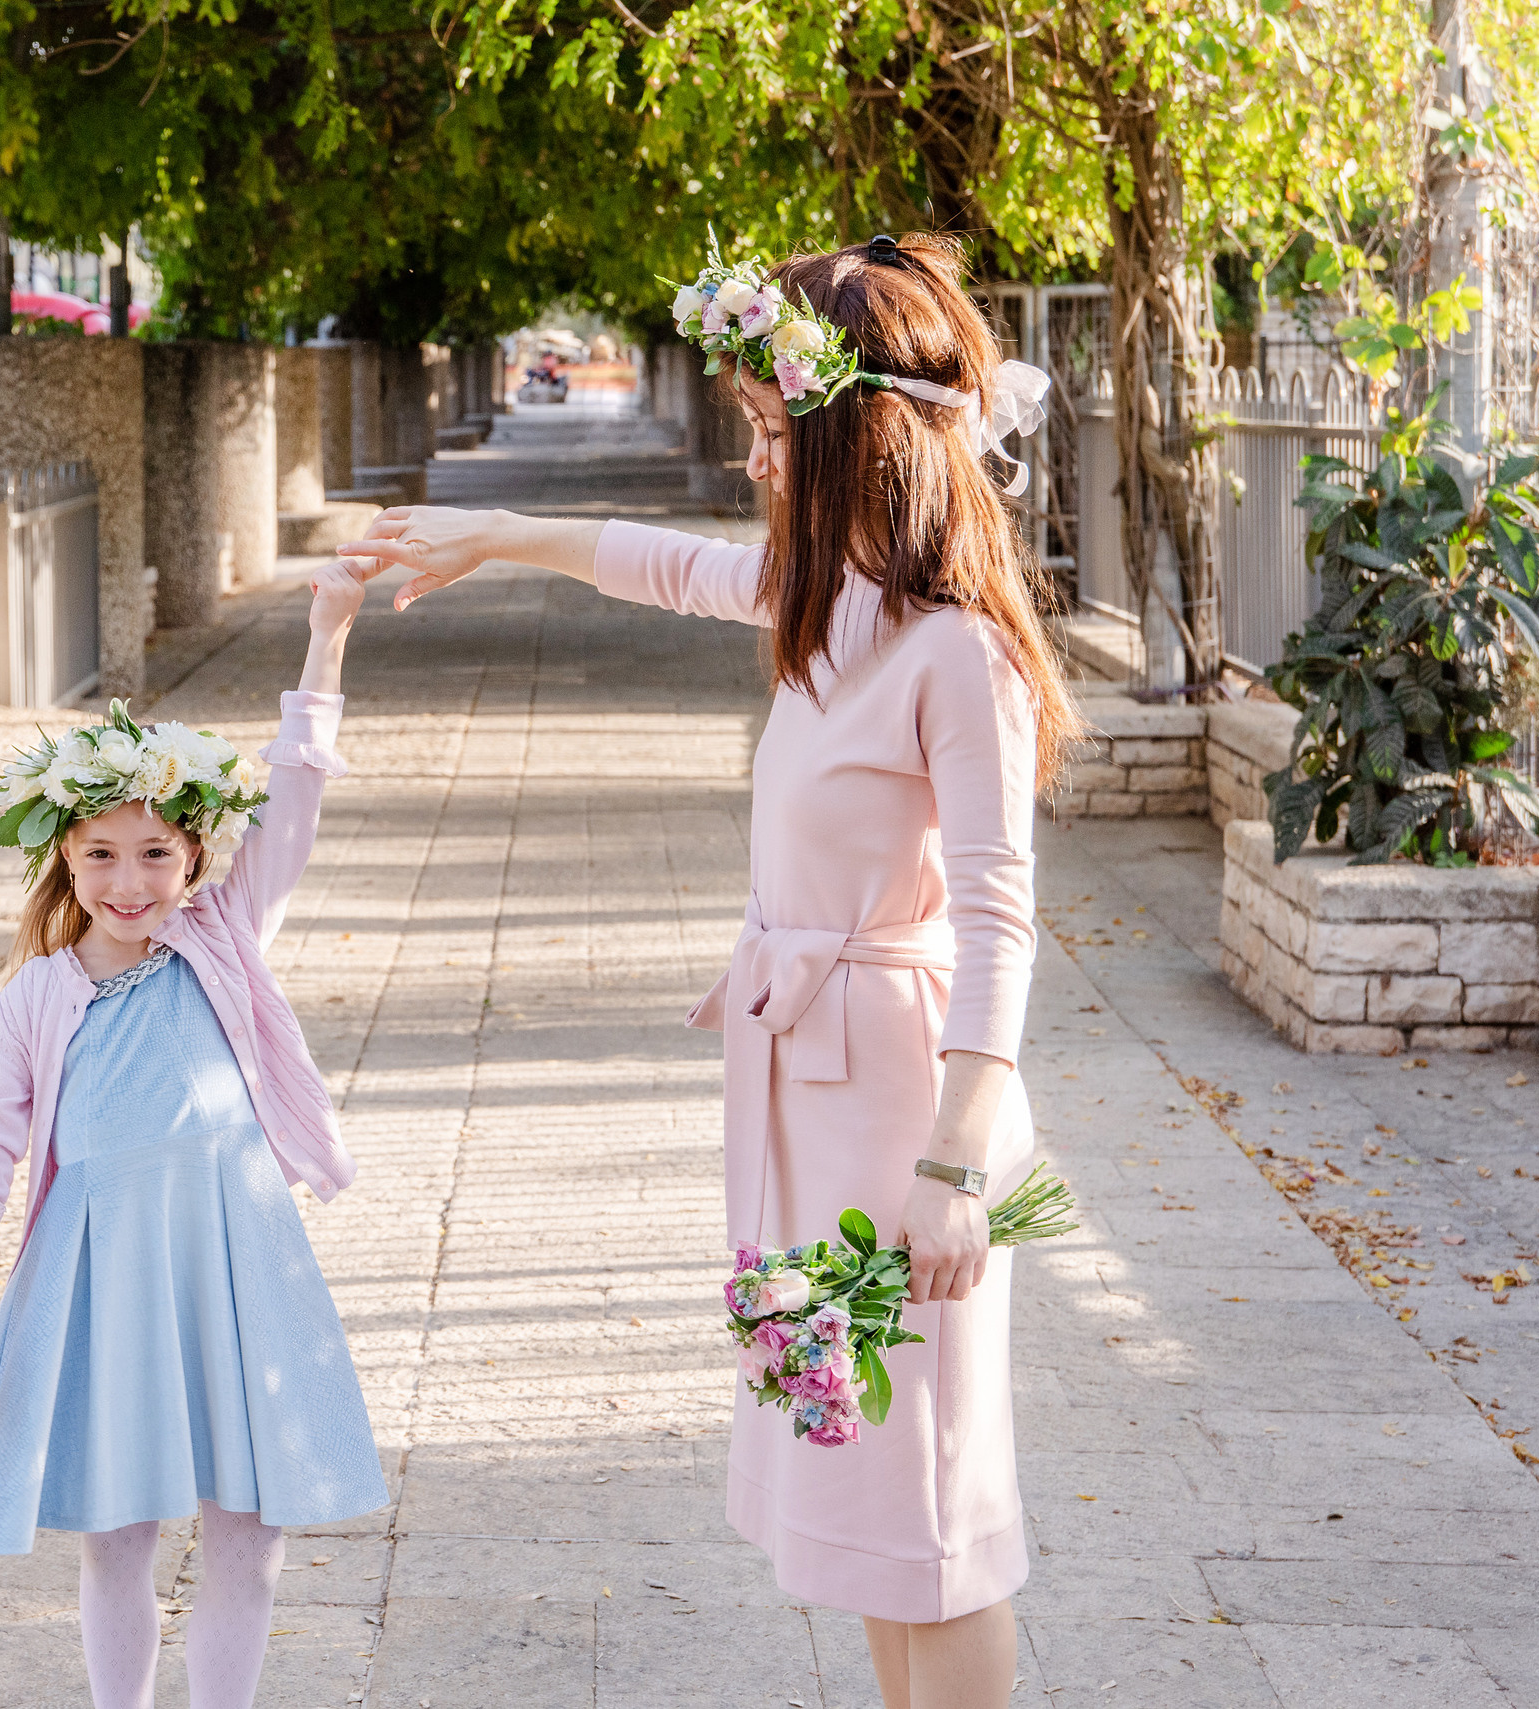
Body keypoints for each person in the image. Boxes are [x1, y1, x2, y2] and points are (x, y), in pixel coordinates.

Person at [337, 234, 1078, 1709]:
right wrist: (488, 543)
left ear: (847, 431)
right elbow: (661, 566)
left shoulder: (958, 657)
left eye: (765, 428)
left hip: (899, 1103)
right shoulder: (831, 608)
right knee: (860, 1486)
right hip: (806, 1085)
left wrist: (956, 1163)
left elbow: (1001, 921)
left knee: (935, 1500)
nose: (751, 456)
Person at [0, 560, 389, 1709]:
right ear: (62, 854)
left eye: (157, 852)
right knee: (117, 1532)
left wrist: (328, 636)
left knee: (250, 1530)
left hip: (234, 1255)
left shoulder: (222, 938)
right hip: (103, 1268)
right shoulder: (34, 999)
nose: (130, 880)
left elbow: (299, 792)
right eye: (102, 854)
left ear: (197, 859)